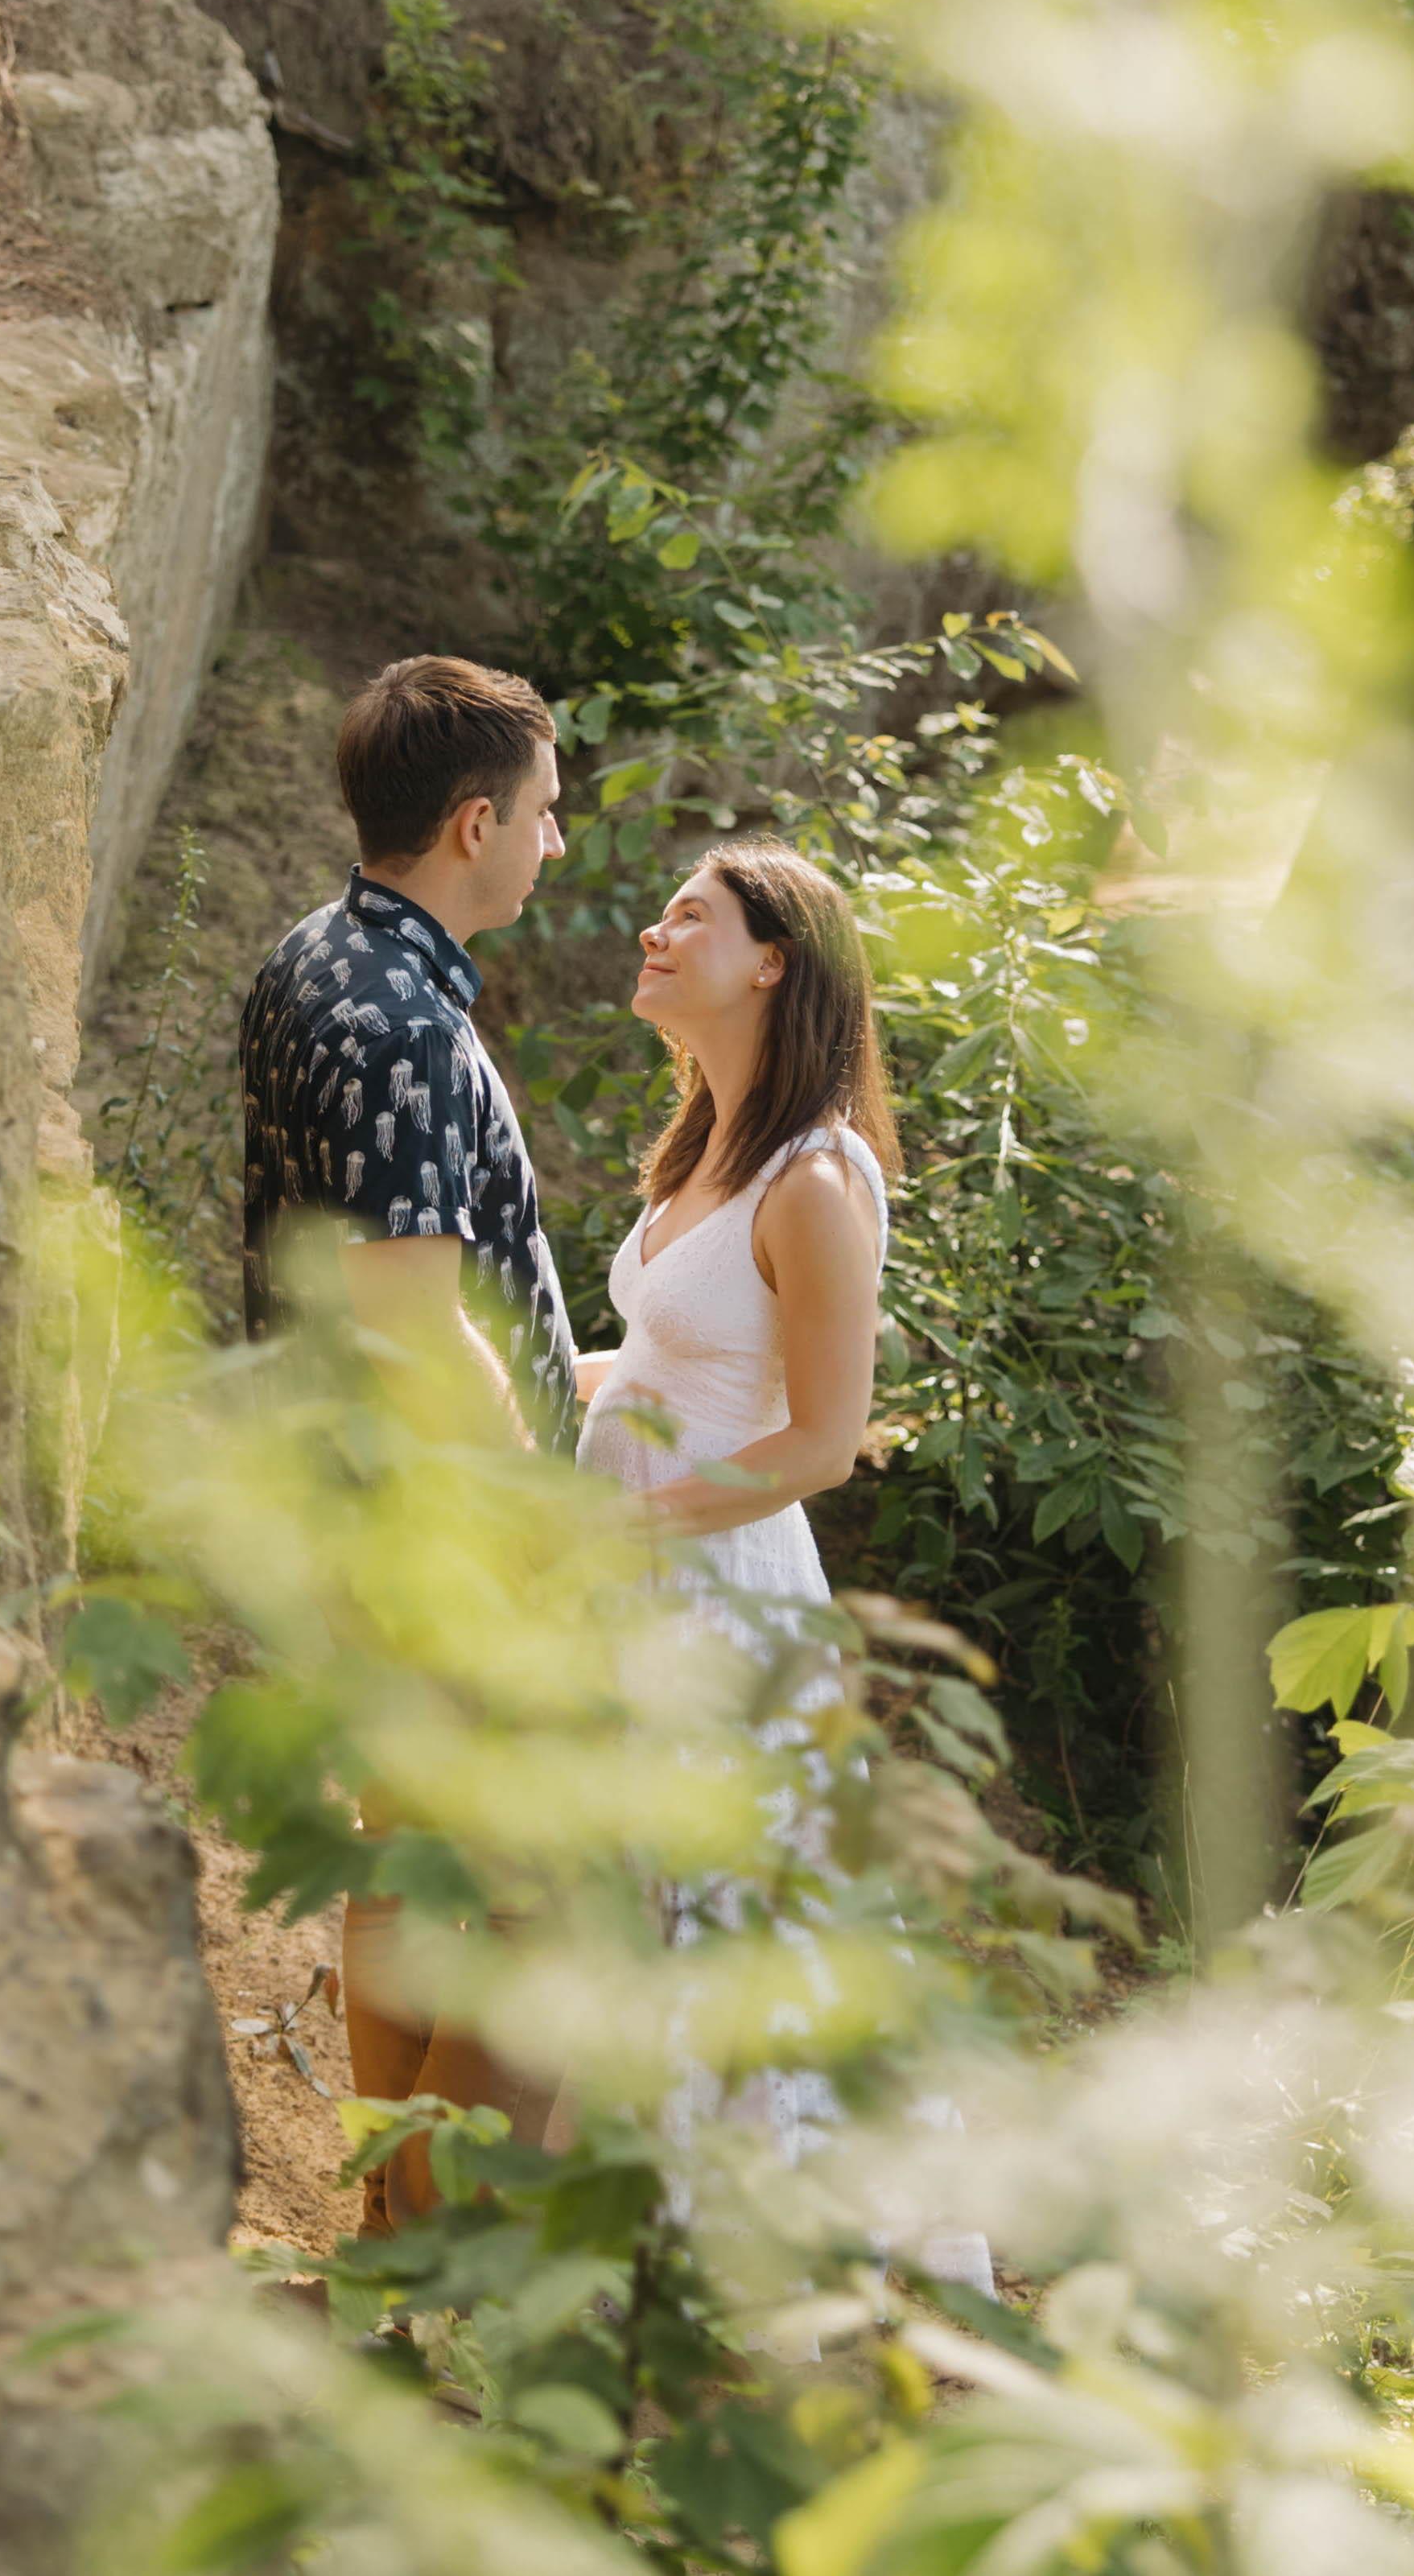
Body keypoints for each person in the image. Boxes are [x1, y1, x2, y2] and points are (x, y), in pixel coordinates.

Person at [572, 835, 996, 2300]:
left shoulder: (820, 1178)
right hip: (630, 1581)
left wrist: (627, 1522)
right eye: (663, 905)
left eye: (691, 913)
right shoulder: (706, 1144)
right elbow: (667, 1360)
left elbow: (821, 1437)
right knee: (624, 1906)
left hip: (720, 1595)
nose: (653, 924)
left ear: (773, 961)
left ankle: (762, 2283)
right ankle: (624, 2259)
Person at [237, 654, 579, 2223]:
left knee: (402, 1872)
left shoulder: (310, 957)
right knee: (529, 1914)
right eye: (545, 815)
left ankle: (380, 2242)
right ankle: (411, 2274)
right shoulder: (404, 1029)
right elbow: (410, 1321)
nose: (556, 847)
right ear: (471, 821)